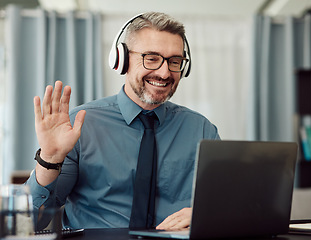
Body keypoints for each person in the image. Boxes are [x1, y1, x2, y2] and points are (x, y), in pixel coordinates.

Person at [27, 12, 220, 230]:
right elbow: (33, 222)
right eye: (152, 58)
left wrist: (207, 215)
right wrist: (50, 158)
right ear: (122, 60)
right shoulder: (79, 125)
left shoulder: (202, 130)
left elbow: (228, 207)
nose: (165, 73)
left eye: (174, 61)